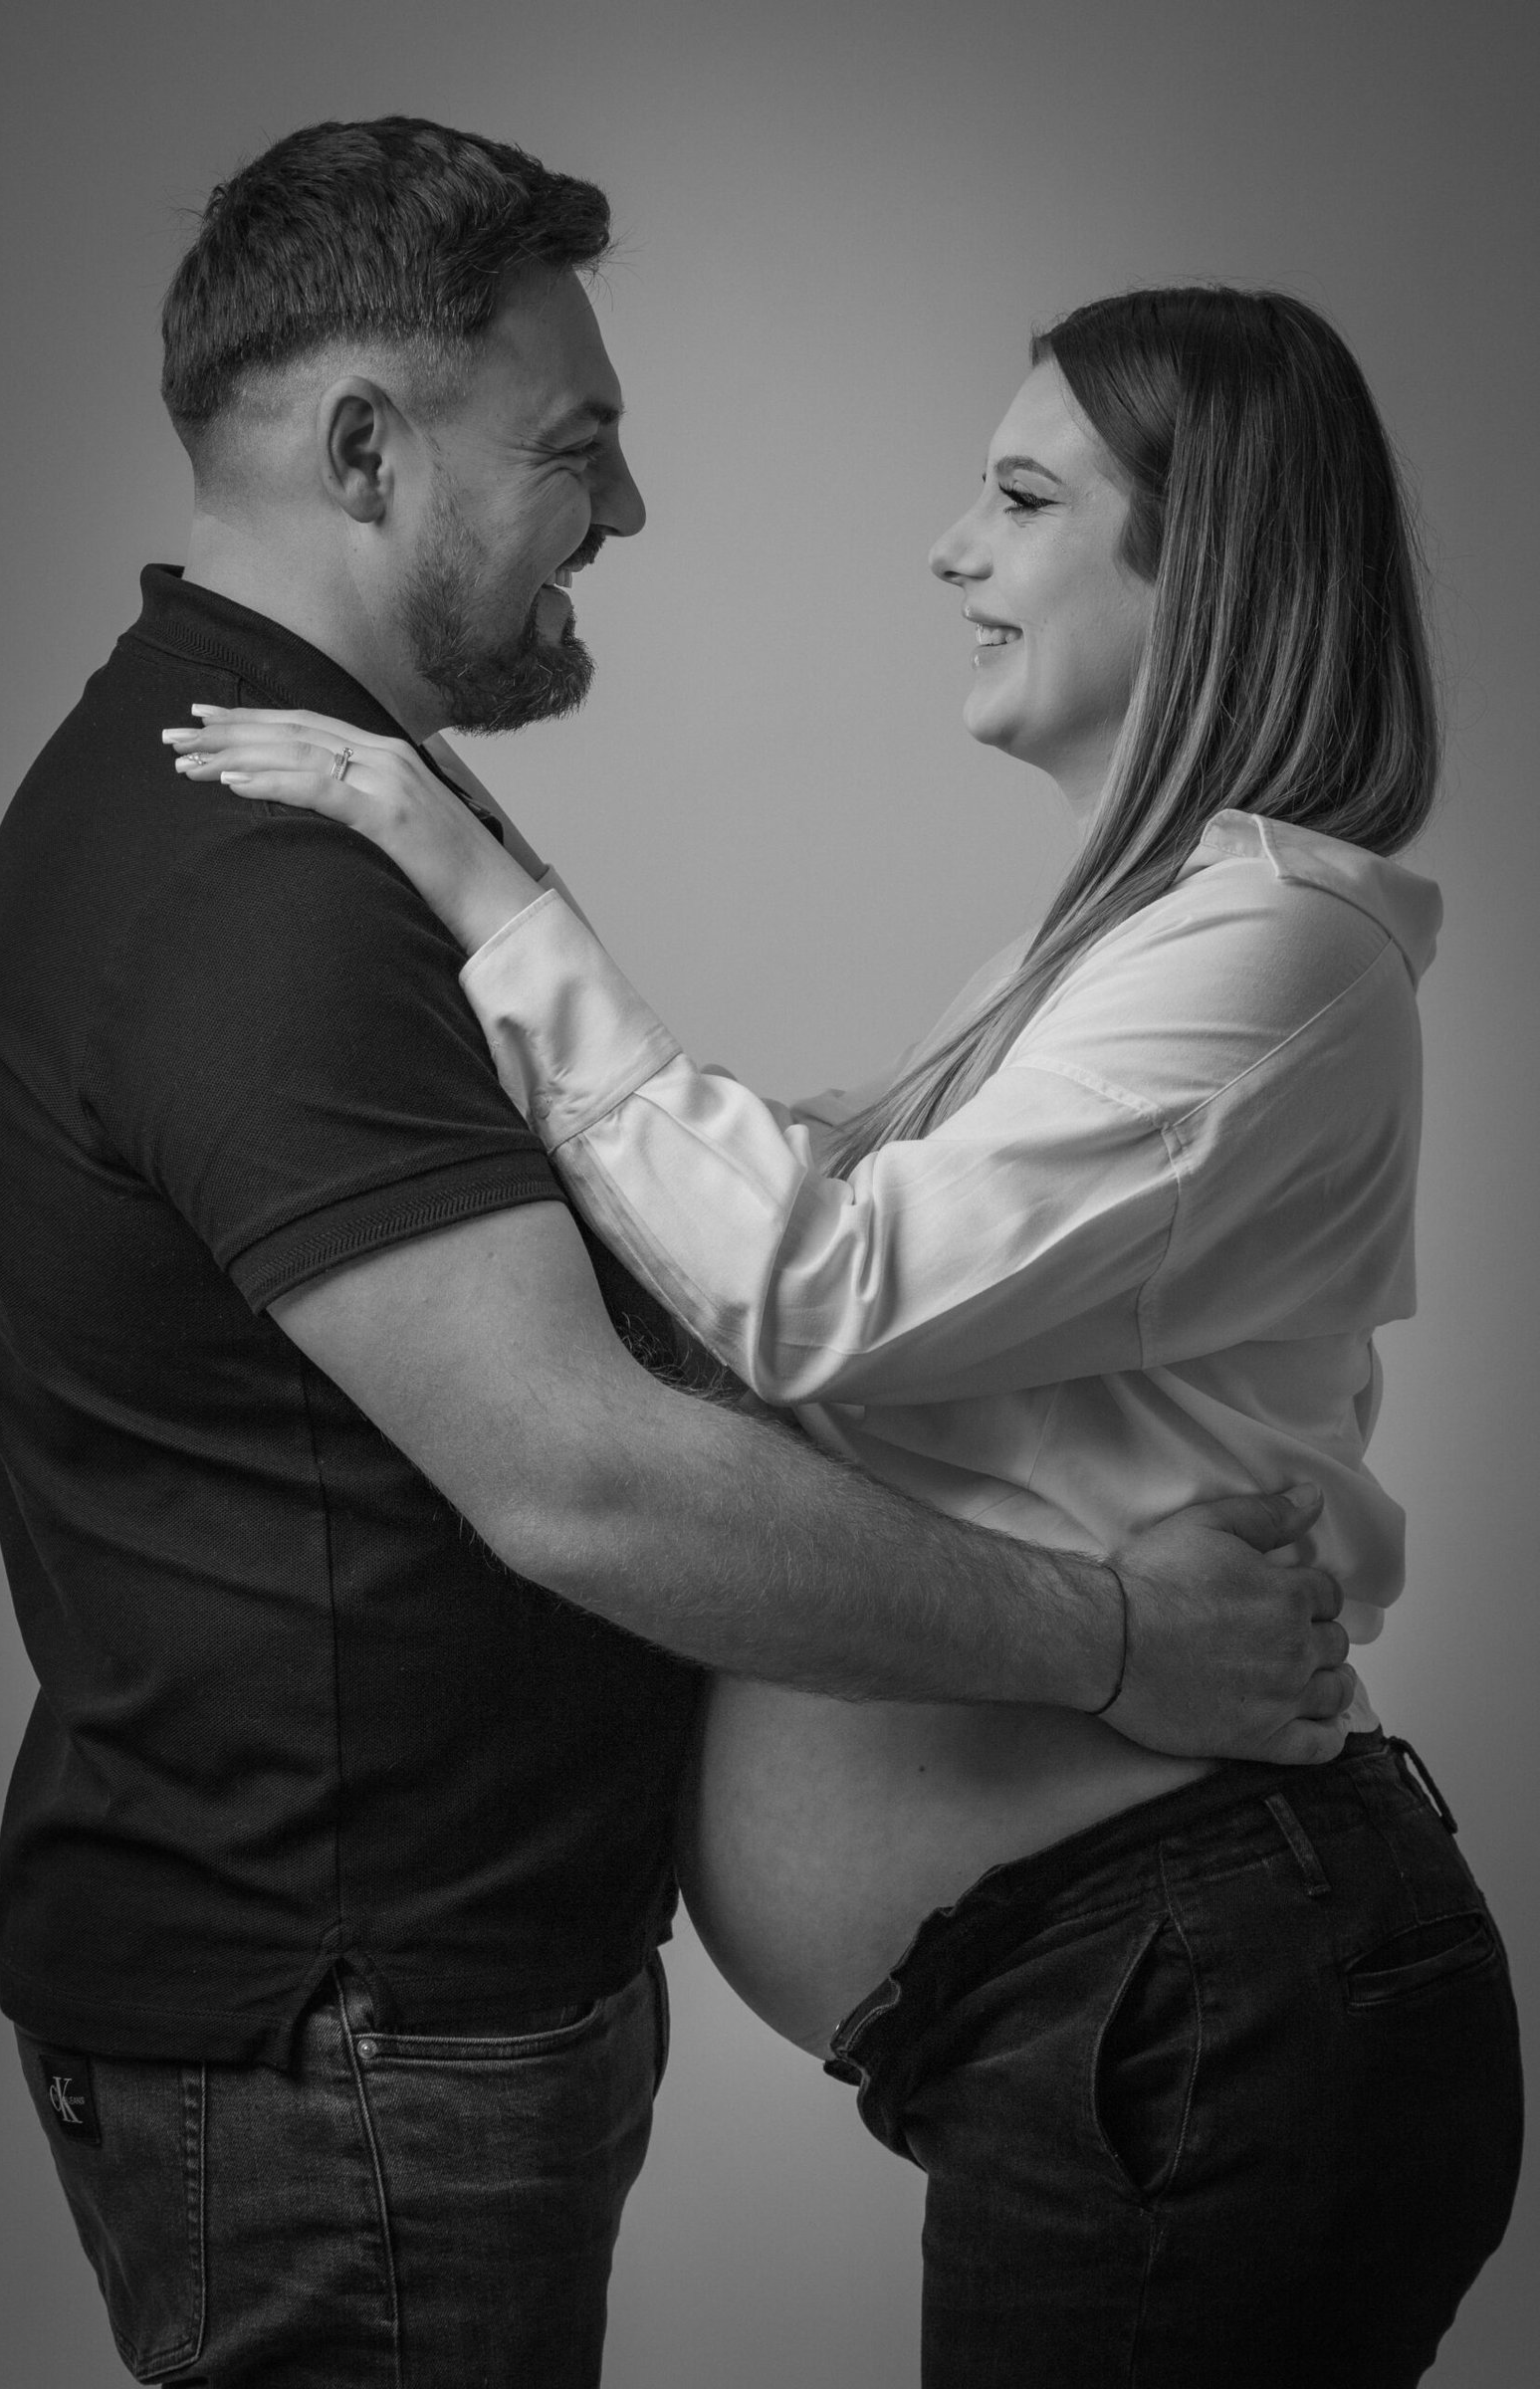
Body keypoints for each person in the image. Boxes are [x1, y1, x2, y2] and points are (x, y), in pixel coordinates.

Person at [0, 126, 1352, 2389]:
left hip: (393, 2021)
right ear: (367, 452)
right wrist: (1113, 1641)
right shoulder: (256, 885)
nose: (625, 509)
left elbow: (677, 1268)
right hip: (352, 2043)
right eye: (573, 446)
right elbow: (580, 1474)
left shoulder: (310, 809)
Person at [186, 285, 1524, 2385]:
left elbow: (820, 1289)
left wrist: (484, 889)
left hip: (1199, 1991)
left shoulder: (1276, 953)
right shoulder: (1128, 945)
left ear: (1210, 560)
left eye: (1021, 498)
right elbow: (796, 1223)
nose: (948, 548)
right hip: (1131, 2005)